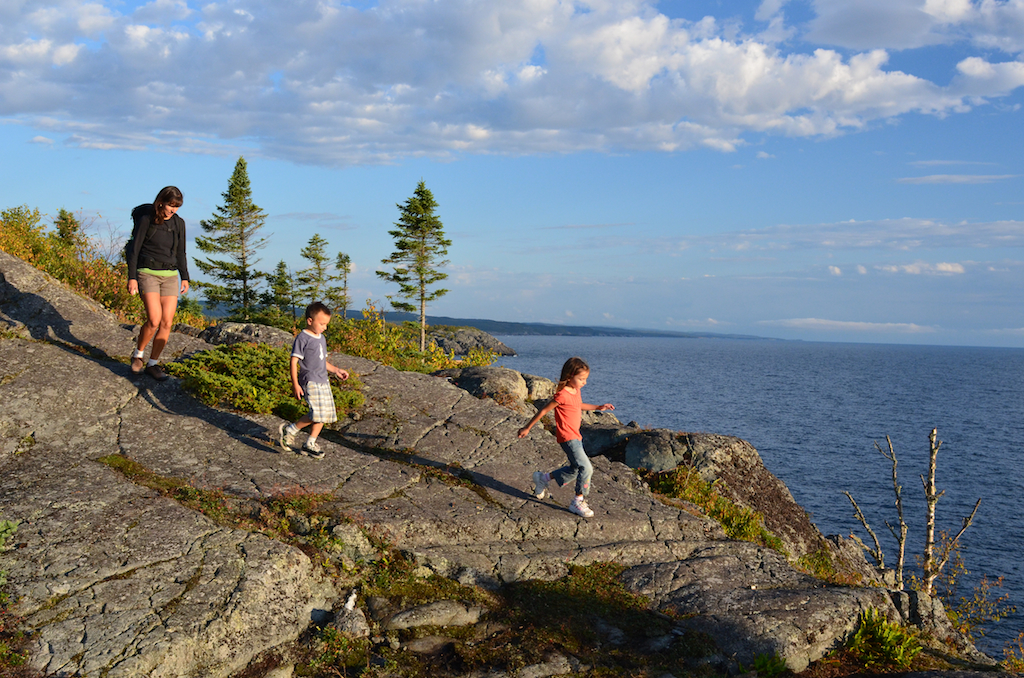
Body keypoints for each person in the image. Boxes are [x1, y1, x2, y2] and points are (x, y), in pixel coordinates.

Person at [518, 356, 615, 518]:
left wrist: (599, 407)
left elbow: (578, 406)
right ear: (569, 376)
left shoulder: (576, 391)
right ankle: (577, 501)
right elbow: (543, 411)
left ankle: (543, 478)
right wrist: (527, 427)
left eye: (585, 379)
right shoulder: (561, 395)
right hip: (567, 437)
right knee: (587, 468)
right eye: (581, 379)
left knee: (576, 469)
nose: (584, 382)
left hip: (576, 435)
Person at [126, 186, 190, 382]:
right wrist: (132, 277)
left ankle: (152, 364)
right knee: (154, 320)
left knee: (167, 323)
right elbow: (134, 249)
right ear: (161, 202)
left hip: (170, 276)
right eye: (171, 205)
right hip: (147, 273)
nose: (173, 210)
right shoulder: (147, 220)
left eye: (177, 207)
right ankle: (138, 355)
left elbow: (181, 252)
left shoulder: (179, 223)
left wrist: (185, 277)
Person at [278, 301, 350, 459]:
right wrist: (295, 384)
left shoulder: (321, 338)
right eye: (322, 323)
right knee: (317, 413)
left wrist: (336, 370)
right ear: (310, 321)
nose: (325, 327)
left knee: (324, 415)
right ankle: (291, 430)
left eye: (326, 324)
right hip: (310, 380)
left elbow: (322, 361)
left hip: (323, 380)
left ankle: (310, 443)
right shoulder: (302, 338)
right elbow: (294, 361)